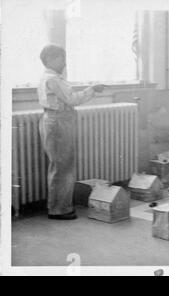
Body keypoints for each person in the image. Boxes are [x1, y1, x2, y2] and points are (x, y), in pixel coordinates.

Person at [38, 44, 105, 220]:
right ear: (50, 59)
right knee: (62, 167)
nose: (64, 61)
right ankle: (59, 209)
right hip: (58, 122)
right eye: (60, 57)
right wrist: (91, 90)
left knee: (60, 166)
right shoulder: (52, 79)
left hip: (55, 120)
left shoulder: (50, 77)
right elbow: (72, 99)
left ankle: (59, 207)